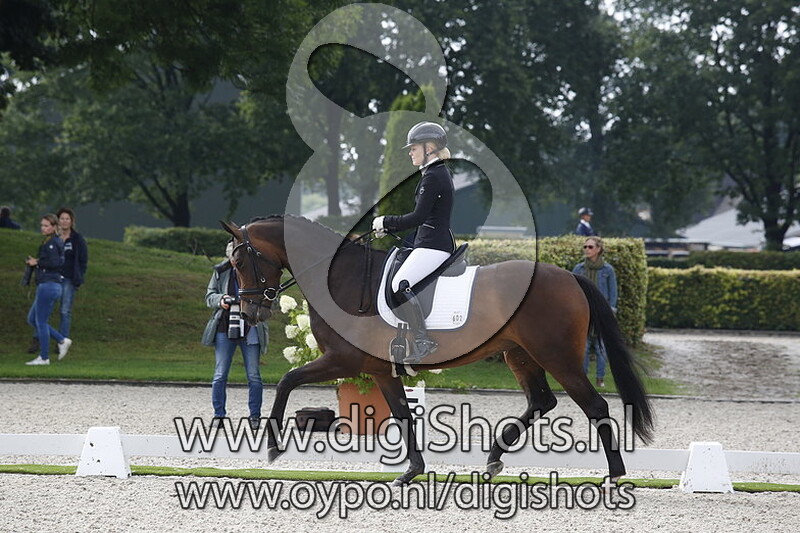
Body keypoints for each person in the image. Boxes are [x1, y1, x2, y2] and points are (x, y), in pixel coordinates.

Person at [372, 121, 455, 364]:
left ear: (429, 148)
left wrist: (387, 222)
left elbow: (418, 217)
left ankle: (422, 340)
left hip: (434, 245)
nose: (410, 152)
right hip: (428, 242)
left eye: (414, 148)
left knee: (400, 284)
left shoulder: (434, 176)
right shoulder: (433, 173)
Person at [202, 241, 269, 429]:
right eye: (234, 257)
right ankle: (219, 415)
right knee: (220, 374)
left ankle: (255, 416)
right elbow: (209, 296)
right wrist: (221, 299)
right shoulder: (220, 271)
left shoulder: (257, 272)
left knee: (254, 375)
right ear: (230, 257)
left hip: (251, 327)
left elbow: (271, 296)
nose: (237, 260)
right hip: (225, 327)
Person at [25, 214, 72, 365]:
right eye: (42, 225)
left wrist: (36, 263)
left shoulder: (52, 243)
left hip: (49, 285)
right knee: (32, 319)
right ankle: (61, 340)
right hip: (48, 284)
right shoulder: (51, 241)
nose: (43, 228)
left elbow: (55, 263)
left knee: (41, 321)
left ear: (54, 227)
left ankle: (44, 357)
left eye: (46, 226)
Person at [572, 237, 617, 388]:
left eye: (590, 247)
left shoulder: (608, 270)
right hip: (583, 313)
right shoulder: (578, 269)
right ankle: (583, 379)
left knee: (601, 348)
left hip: (601, 314)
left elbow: (613, 292)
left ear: (598, 249)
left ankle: (600, 378)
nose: (587, 249)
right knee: (583, 347)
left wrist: (611, 310)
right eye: (585, 247)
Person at [56, 207, 89, 339]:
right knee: (44, 309)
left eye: (67, 219)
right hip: (52, 278)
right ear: (58, 221)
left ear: (71, 221)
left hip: (69, 279)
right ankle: (37, 339)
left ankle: (62, 341)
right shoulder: (53, 238)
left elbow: (83, 260)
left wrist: (79, 277)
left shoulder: (77, 239)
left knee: (65, 310)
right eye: (62, 218)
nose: (64, 221)